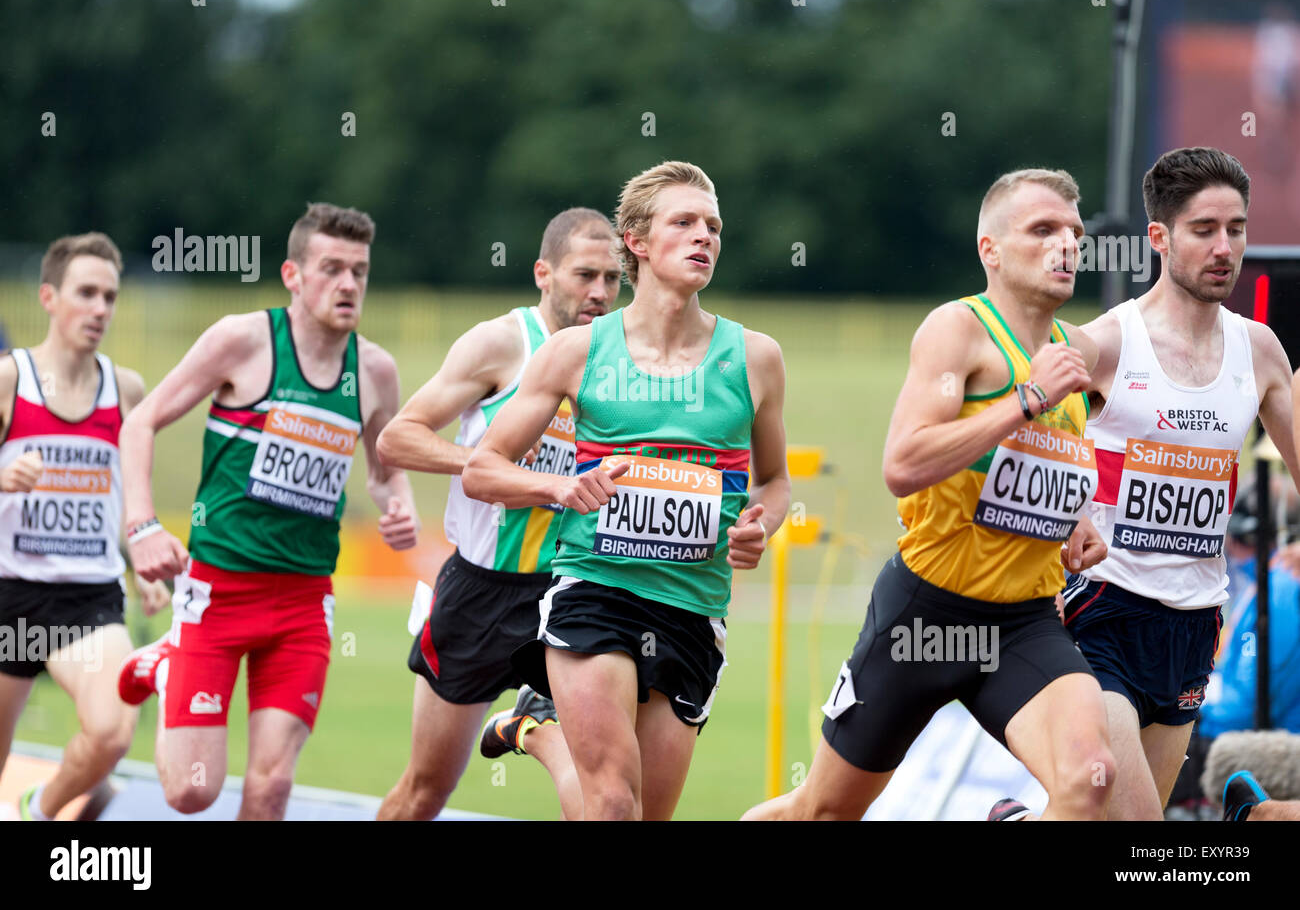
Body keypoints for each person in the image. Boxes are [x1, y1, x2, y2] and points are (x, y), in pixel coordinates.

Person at [746, 168, 1115, 821]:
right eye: (1043, 230)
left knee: (1091, 782)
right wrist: (1026, 399)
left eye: (1075, 234)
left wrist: (1077, 520)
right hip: (927, 616)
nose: (1067, 246)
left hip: (1023, 624)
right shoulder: (960, 331)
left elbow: (1042, 464)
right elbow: (903, 462)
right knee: (822, 812)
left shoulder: (1069, 351)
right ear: (990, 249)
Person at [463, 161, 790, 820]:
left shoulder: (754, 357)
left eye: (713, 226)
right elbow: (482, 468)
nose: (705, 237)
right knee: (613, 803)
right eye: (685, 223)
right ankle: (550, 732)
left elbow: (776, 482)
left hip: (694, 610)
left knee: (640, 814)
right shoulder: (576, 353)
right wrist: (559, 487)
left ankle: (539, 734)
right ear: (636, 242)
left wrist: (762, 524)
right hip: (596, 591)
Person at [116, 203, 419, 820]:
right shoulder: (242, 340)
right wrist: (143, 525)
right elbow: (140, 420)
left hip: (304, 602)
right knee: (192, 791)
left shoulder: (375, 371)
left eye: (359, 271)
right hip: (219, 591)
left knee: (272, 783)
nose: (347, 284)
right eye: (331, 268)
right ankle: (168, 666)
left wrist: (399, 509)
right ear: (293, 275)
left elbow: (386, 476)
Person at [1054, 148, 1300, 821]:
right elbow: (1024, 441)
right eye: (1204, 230)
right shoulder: (1107, 343)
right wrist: (1067, 517)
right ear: (1159, 238)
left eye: (1238, 229)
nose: (1226, 248)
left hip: (1194, 626)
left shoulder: (1260, 351)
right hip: (1102, 611)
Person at [376, 207, 621, 821]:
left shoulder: (623, 363)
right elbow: (396, 439)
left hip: (574, 592)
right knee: (426, 790)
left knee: (601, 796)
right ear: (544, 273)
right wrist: (502, 471)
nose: (599, 293)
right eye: (583, 275)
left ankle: (531, 723)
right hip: (480, 592)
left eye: (613, 279)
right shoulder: (501, 344)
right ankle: (524, 722)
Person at [0, 233, 169, 820]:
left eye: (111, 297)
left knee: (112, 731)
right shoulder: (8, 381)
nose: (100, 309)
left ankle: (38, 809)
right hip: (8, 592)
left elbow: (129, 492)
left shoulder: (125, 391)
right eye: (86, 294)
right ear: (49, 296)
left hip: (86, 598)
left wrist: (142, 554)